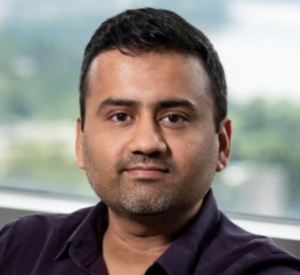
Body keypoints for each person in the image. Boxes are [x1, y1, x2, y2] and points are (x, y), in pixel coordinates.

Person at [0, 7, 300, 275]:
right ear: (81, 141)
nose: (146, 143)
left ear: (222, 144)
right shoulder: (19, 247)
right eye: (120, 116)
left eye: (174, 118)